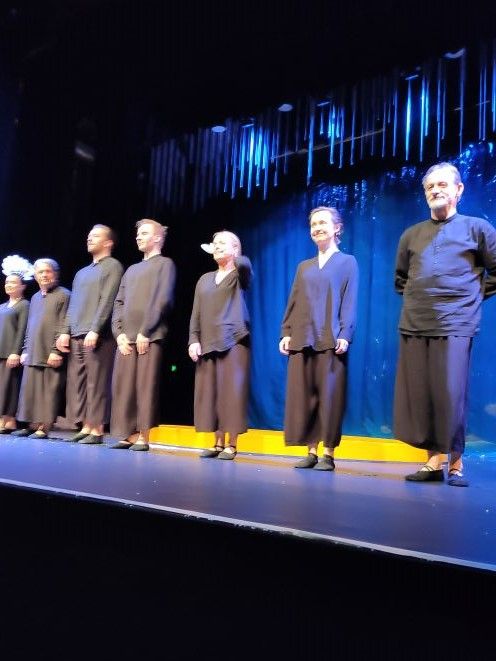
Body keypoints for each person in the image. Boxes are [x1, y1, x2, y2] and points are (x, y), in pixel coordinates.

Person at [394, 162, 496, 487]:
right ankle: (433, 461)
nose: (435, 190)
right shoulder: (411, 235)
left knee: (450, 394)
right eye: (430, 186)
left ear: (458, 189)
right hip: (415, 322)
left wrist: (471, 297)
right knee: (422, 395)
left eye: (442, 185)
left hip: (456, 322)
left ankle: (455, 463)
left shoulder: (478, 228)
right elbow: (400, 279)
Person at [279, 206, 358, 470]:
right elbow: (293, 302)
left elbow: (349, 300)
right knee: (306, 396)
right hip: (303, 336)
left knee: (330, 397)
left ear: (337, 228)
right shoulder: (304, 267)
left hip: (330, 338)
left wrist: (345, 333)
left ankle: (328, 454)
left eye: (322, 223)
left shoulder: (347, 262)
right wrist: (286, 332)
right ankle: (311, 451)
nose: (317, 228)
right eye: (313, 224)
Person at [109, 219, 176, 451]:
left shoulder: (165, 264)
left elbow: (163, 299)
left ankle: (143, 435)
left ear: (157, 237)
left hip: (149, 335)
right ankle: (127, 433)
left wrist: (145, 330)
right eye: (138, 234)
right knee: (124, 387)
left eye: (144, 233)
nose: (138, 237)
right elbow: (119, 302)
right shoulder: (131, 269)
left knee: (145, 386)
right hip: (126, 338)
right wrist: (118, 333)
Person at [56, 225, 123, 444]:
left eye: (95, 236)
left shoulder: (113, 266)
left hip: (97, 335)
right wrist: (64, 332)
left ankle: (97, 428)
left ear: (108, 242)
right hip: (77, 332)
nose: (89, 239)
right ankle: (85, 425)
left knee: (97, 382)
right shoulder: (81, 273)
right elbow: (74, 304)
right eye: (89, 236)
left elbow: (108, 300)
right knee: (79, 383)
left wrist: (95, 329)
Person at [188, 231, 252, 460]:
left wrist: (233, 252)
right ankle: (217, 442)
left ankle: (231, 444)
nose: (216, 246)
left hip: (233, 340)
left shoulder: (239, 274)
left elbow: (244, 264)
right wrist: (193, 339)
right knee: (212, 393)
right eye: (214, 243)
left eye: (222, 243)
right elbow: (196, 312)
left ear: (235, 248)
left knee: (230, 394)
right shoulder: (205, 279)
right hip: (208, 340)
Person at [12, 259, 70, 438]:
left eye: (48, 271)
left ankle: (44, 426)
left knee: (48, 390)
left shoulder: (64, 295)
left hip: (50, 350)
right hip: (33, 349)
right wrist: (25, 349)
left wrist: (56, 350)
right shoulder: (35, 297)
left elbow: (65, 323)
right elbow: (30, 326)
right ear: (35, 276)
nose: (44, 275)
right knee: (31, 389)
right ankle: (31, 423)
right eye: (40, 272)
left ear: (55, 274)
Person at [0, 256, 33, 434]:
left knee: (10, 387)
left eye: (13, 282)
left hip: (11, 353)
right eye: (7, 282)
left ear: (22, 286)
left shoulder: (24, 305)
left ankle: (10, 420)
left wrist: (15, 351)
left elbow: (22, 329)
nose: (9, 285)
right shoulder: (2, 306)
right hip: (0, 351)